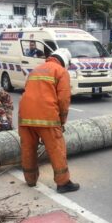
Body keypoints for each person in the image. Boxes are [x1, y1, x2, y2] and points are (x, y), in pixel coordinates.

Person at [18, 48, 80, 194]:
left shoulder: (36, 70)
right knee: (57, 149)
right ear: (65, 61)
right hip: (47, 116)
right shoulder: (60, 71)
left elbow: (27, 91)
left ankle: (30, 180)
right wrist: (61, 122)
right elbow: (63, 99)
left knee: (28, 148)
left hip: (25, 116)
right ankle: (63, 183)